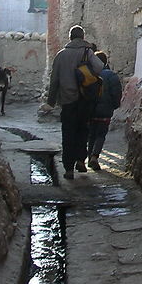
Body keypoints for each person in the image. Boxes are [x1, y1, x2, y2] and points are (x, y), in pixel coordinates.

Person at [44, 25, 104, 179]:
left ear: (70, 37)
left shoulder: (61, 55)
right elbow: (99, 67)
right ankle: (81, 161)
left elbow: (54, 80)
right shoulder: (87, 52)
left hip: (67, 101)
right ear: (83, 37)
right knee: (83, 130)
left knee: (68, 132)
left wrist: (51, 101)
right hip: (85, 99)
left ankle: (68, 168)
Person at [86, 51, 123, 170]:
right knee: (101, 134)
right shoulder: (112, 76)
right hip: (105, 110)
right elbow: (116, 93)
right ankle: (95, 157)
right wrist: (115, 105)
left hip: (90, 110)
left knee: (91, 134)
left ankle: (89, 155)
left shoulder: (90, 74)